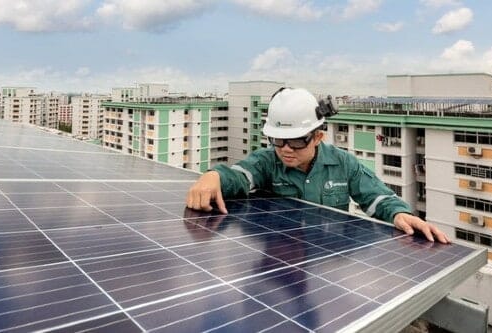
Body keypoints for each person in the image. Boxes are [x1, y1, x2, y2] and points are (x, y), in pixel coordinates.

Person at [186, 87, 449, 244]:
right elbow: (239, 175)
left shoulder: (343, 163)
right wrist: (213, 176)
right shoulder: (268, 161)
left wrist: (399, 214)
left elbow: (377, 197)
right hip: (282, 251)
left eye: (297, 141)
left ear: (318, 136)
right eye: (278, 140)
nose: (286, 149)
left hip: (324, 265)